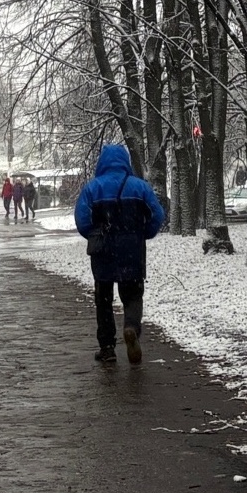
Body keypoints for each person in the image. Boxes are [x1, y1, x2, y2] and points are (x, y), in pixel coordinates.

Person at [72, 143, 166, 364]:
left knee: (103, 299)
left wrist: (94, 235)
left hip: (103, 251)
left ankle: (107, 348)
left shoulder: (92, 188)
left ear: (102, 163)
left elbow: (82, 219)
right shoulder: (139, 187)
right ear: (125, 162)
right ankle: (131, 328)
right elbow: (157, 214)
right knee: (133, 295)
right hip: (132, 249)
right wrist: (145, 233)